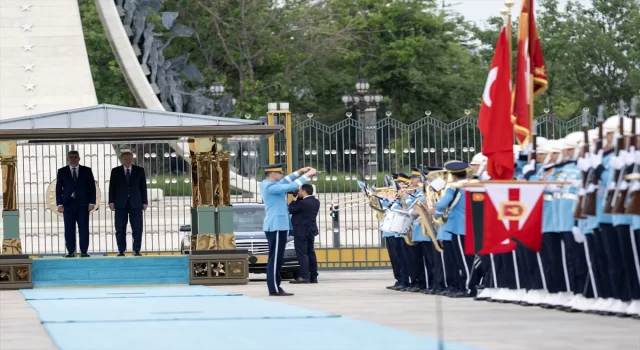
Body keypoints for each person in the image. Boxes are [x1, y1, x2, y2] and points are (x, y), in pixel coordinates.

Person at [260, 163, 316, 296]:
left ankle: (276, 287)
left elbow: (286, 181)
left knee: (277, 258)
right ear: (273, 174)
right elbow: (291, 186)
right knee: (275, 259)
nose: (282, 175)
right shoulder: (270, 186)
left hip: (278, 225)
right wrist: (307, 175)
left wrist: (299, 171)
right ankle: (274, 288)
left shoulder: (269, 184)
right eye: (279, 173)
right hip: (276, 226)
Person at [56, 150, 96, 258]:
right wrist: (59, 204)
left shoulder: (86, 170)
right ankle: (70, 251)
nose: (73, 158)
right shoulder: (62, 171)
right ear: (67, 159)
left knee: (83, 228)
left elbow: (92, 187)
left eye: (75, 157)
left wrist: (92, 202)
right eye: (71, 157)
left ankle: (84, 251)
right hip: (68, 205)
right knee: (69, 228)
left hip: (83, 204)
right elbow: (58, 189)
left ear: (79, 158)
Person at [108, 151, 148, 256]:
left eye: (130, 158)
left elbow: (143, 187)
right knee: (120, 228)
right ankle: (121, 250)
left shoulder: (139, 170)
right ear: (121, 160)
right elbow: (112, 187)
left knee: (137, 228)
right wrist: (111, 201)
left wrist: (145, 202)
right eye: (125, 159)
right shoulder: (116, 171)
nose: (128, 161)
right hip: (120, 204)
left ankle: (136, 250)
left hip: (136, 203)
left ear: (132, 159)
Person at [288, 184, 320, 284]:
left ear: (304, 191)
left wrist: (293, 200)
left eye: (300, 191)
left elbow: (290, 209)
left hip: (301, 231)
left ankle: (304, 276)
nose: (299, 192)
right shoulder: (316, 201)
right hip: (311, 231)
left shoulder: (302, 203)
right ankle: (313, 276)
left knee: (302, 254)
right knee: (311, 253)